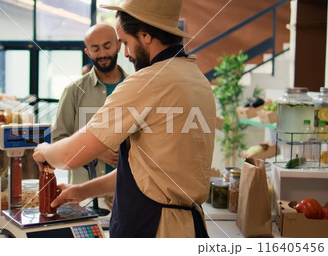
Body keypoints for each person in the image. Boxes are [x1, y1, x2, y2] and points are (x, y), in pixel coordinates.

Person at [33, 0, 216, 238]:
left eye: (126, 42)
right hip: (189, 226)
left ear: (145, 35)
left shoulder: (147, 82)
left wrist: (45, 150)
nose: (126, 53)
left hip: (154, 227)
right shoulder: (197, 79)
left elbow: (71, 156)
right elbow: (148, 173)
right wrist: (83, 190)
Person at [53, 24, 127, 185]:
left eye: (107, 47)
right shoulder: (73, 91)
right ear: (88, 52)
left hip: (128, 190)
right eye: (95, 49)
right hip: (83, 194)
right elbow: (57, 141)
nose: (102, 54)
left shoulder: (136, 88)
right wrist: (95, 151)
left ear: (119, 46)